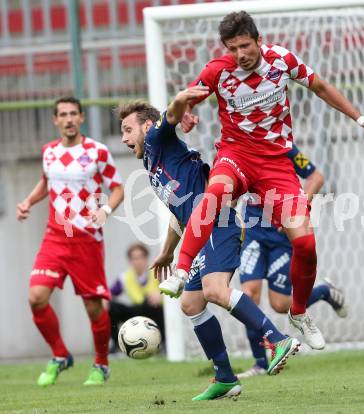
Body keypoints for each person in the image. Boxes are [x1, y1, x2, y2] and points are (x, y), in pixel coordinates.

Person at [161, 11, 364, 350]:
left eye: (245, 46)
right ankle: (182, 270)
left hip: (277, 163)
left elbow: (321, 87)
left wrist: (361, 119)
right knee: (215, 193)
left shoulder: (282, 61)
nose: (240, 54)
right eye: (233, 48)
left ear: (259, 40)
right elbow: (182, 104)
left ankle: (299, 313)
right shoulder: (218, 72)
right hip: (236, 154)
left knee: (306, 245)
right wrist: (184, 115)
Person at [117, 87, 299, 401]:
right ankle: (226, 378)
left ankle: (277, 337)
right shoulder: (152, 164)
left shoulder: (159, 138)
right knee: (191, 303)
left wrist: (182, 98)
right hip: (200, 231)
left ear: (147, 127)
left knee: (215, 291)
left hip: (219, 224)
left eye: (127, 130)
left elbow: (171, 114)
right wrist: (166, 252)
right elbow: (180, 215)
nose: (123, 138)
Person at [16, 96, 124, 386]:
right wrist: (28, 201)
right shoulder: (49, 152)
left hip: (86, 239)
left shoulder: (97, 151)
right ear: (55, 120)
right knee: (36, 297)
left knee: (93, 308)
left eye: (73, 113)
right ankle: (61, 355)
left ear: (81, 117)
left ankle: (101, 364)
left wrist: (105, 210)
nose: (68, 119)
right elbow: (46, 182)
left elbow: (117, 188)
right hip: (55, 236)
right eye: (62, 114)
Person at [237, 144, 348, 378]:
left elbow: (316, 176)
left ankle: (325, 291)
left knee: (280, 304)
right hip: (254, 233)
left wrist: (297, 205)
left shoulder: (280, 144)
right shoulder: (235, 147)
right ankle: (260, 362)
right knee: (249, 295)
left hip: (281, 237)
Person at [109, 243, 164, 353]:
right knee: (111, 307)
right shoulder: (124, 277)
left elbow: (174, 291)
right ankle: (117, 345)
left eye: (140, 257)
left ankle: (164, 344)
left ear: (146, 258)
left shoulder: (158, 272)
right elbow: (110, 294)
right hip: (136, 313)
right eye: (134, 258)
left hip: (154, 312)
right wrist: (103, 300)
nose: (137, 261)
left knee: (153, 305)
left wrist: (162, 295)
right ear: (130, 261)